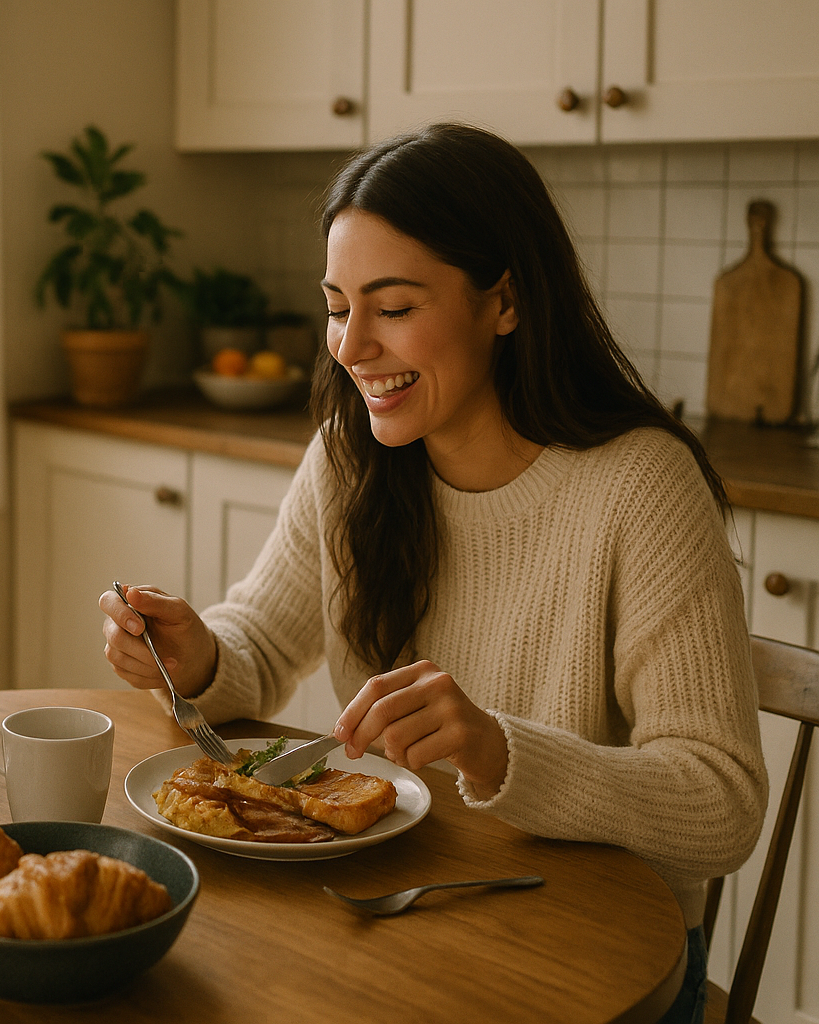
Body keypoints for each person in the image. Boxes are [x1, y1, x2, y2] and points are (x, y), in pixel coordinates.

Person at [100, 123, 765, 1024]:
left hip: (599, 956)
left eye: (395, 307)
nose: (351, 346)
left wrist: (498, 751)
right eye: (338, 307)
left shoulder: (641, 486)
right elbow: (261, 642)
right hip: (407, 911)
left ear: (505, 301)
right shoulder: (351, 455)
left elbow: (721, 804)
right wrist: (199, 657)